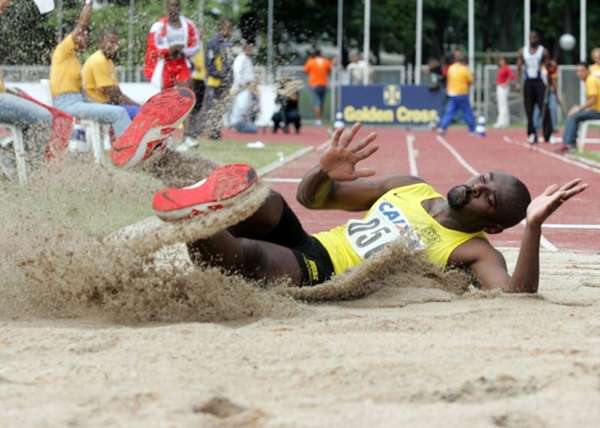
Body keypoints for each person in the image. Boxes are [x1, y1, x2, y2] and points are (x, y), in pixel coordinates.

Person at [112, 114, 587, 292]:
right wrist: (324, 170)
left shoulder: (476, 250)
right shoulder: (412, 186)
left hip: (322, 273)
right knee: (268, 200)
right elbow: (313, 196)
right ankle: (160, 160)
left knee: (250, 256)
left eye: (489, 198)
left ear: (497, 223)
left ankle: (197, 218)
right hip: (312, 243)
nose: (478, 186)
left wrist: (534, 226)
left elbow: (514, 296)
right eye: (483, 179)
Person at [49, 0, 131, 139]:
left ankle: (121, 147)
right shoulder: (62, 50)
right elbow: (81, 25)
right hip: (68, 104)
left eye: (87, 35)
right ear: (71, 36)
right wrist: (89, 3)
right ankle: (129, 150)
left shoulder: (74, 59)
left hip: (77, 101)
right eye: (83, 35)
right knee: (119, 113)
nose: (86, 37)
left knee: (116, 111)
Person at [82, 28, 140, 119]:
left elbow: (117, 92)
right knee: (139, 114)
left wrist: (136, 105)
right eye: (111, 42)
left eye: (116, 43)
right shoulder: (99, 60)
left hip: (104, 105)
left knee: (137, 112)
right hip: (97, 105)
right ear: (101, 43)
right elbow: (114, 95)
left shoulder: (108, 62)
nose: (115, 46)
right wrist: (138, 106)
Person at [143, 0, 200, 90]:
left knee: (186, 93)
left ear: (180, 8)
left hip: (181, 63)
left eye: (176, 6)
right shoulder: (158, 26)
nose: (174, 9)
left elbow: (196, 45)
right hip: (166, 64)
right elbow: (152, 48)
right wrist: (169, 50)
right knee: (167, 97)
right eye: (171, 6)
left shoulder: (188, 25)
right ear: (166, 8)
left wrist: (183, 51)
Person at [517, 31, 552, 144]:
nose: (532, 39)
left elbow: (547, 67)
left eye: (534, 38)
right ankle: (532, 133)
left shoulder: (543, 51)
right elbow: (519, 67)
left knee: (545, 107)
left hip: (540, 82)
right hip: (528, 82)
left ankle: (547, 134)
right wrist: (518, 82)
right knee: (529, 110)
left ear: (538, 39)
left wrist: (548, 79)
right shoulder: (523, 51)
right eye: (530, 37)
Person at [202, 18, 234, 140]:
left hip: (225, 80)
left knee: (221, 107)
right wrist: (219, 74)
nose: (231, 31)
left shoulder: (228, 43)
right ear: (222, 28)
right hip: (215, 81)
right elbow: (209, 63)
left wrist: (230, 77)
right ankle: (209, 131)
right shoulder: (213, 42)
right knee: (211, 106)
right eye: (229, 28)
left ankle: (216, 130)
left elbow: (229, 63)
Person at [559, 62, 600, 152]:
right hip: (596, 110)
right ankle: (569, 143)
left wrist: (579, 108)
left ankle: (569, 144)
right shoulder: (591, 79)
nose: (579, 73)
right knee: (575, 115)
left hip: (598, 112)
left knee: (574, 115)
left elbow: (593, 99)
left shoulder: (590, 80)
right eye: (577, 71)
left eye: (582, 71)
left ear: (588, 71)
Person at [437, 50, 476, 134]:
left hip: (452, 93)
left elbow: (448, 79)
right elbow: (471, 80)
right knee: (467, 111)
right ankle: (472, 128)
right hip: (462, 93)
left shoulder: (451, 68)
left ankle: (442, 127)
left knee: (450, 111)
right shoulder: (465, 69)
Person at [229, 40, 258, 133]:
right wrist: (242, 84)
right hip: (242, 87)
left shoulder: (248, 59)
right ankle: (236, 124)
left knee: (246, 106)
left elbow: (250, 75)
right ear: (245, 48)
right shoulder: (240, 59)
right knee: (240, 106)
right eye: (249, 47)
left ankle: (242, 123)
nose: (251, 49)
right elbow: (237, 73)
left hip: (247, 87)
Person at [304, 49, 332, 126]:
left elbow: (305, 70)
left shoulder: (311, 61)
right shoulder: (326, 61)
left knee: (317, 102)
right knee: (321, 102)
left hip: (314, 84)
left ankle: (318, 119)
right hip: (323, 84)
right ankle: (320, 119)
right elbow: (329, 70)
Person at [493, 57, 514, 128]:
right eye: (500, 61)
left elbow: (511, 76)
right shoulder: (500, 68)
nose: (501, 62)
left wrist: (506, 83)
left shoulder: (506, 68)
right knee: (501, 104)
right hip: (499, 86)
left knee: (503, 104)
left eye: (502, 60)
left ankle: (501, 122)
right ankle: (505, 121)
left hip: (503, 87)